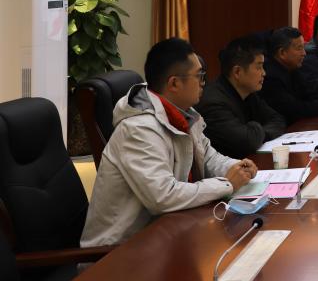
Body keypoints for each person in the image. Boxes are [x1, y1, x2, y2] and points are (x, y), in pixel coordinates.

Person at [81, 38, 256, 247]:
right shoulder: (138, 130)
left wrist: (237, 168)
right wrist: (227, 184)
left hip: (169, 231)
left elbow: (208, 157)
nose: (203, 82)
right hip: (120, 251)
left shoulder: (183, 113)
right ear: (174, 83)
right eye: (199, 75)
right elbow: (163, 197)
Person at [196, 35, 287, 159]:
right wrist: (256, 131)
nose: (264, 73)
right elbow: (247, 142)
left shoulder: (248, 93)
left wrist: (256, 132)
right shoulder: (213, 103)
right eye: (259, 67)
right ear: (237, 72)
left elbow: (278, 120)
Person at [261, 26, 318, 123]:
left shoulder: (293, 69)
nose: (304, 53)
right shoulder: (270, 77)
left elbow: (308, 95)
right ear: (282, 53)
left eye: (303, 47)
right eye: (299, 48)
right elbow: (296, 110)